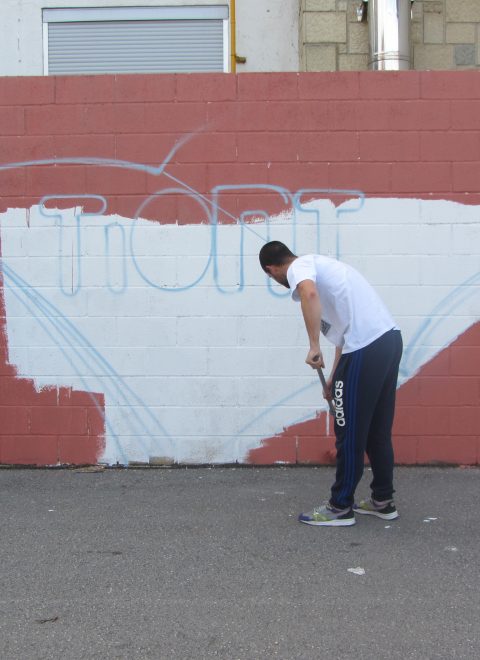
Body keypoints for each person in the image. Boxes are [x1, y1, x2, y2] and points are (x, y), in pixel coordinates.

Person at [258, 241, 403, 527]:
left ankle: (340, 507)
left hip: (366, 347)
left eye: (272, 276)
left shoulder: (301, 268)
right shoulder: (326, 271)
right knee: (376, 430)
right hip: (388, 341)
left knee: (348, 429)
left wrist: (313, 345)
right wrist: (336, 379)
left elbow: (308, 292)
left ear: (272, 269)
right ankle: (383, 501)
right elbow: (341, 341)